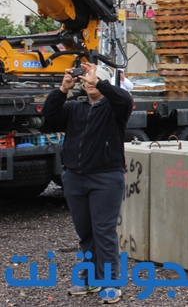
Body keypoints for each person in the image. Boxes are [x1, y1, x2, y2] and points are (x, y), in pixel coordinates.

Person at [42, 62, 133, 303]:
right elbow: (49, 117)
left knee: (104, 232)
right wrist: (62, 90)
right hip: (75, 178)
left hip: (105, 178)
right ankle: (90, 279)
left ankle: (110, 282)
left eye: (96, 80)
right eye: (87, 79)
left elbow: (124, 99)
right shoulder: (75, 108)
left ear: (102, 84)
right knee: (86, 233)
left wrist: (100, 80)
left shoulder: (114, 109)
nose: (90, 83)